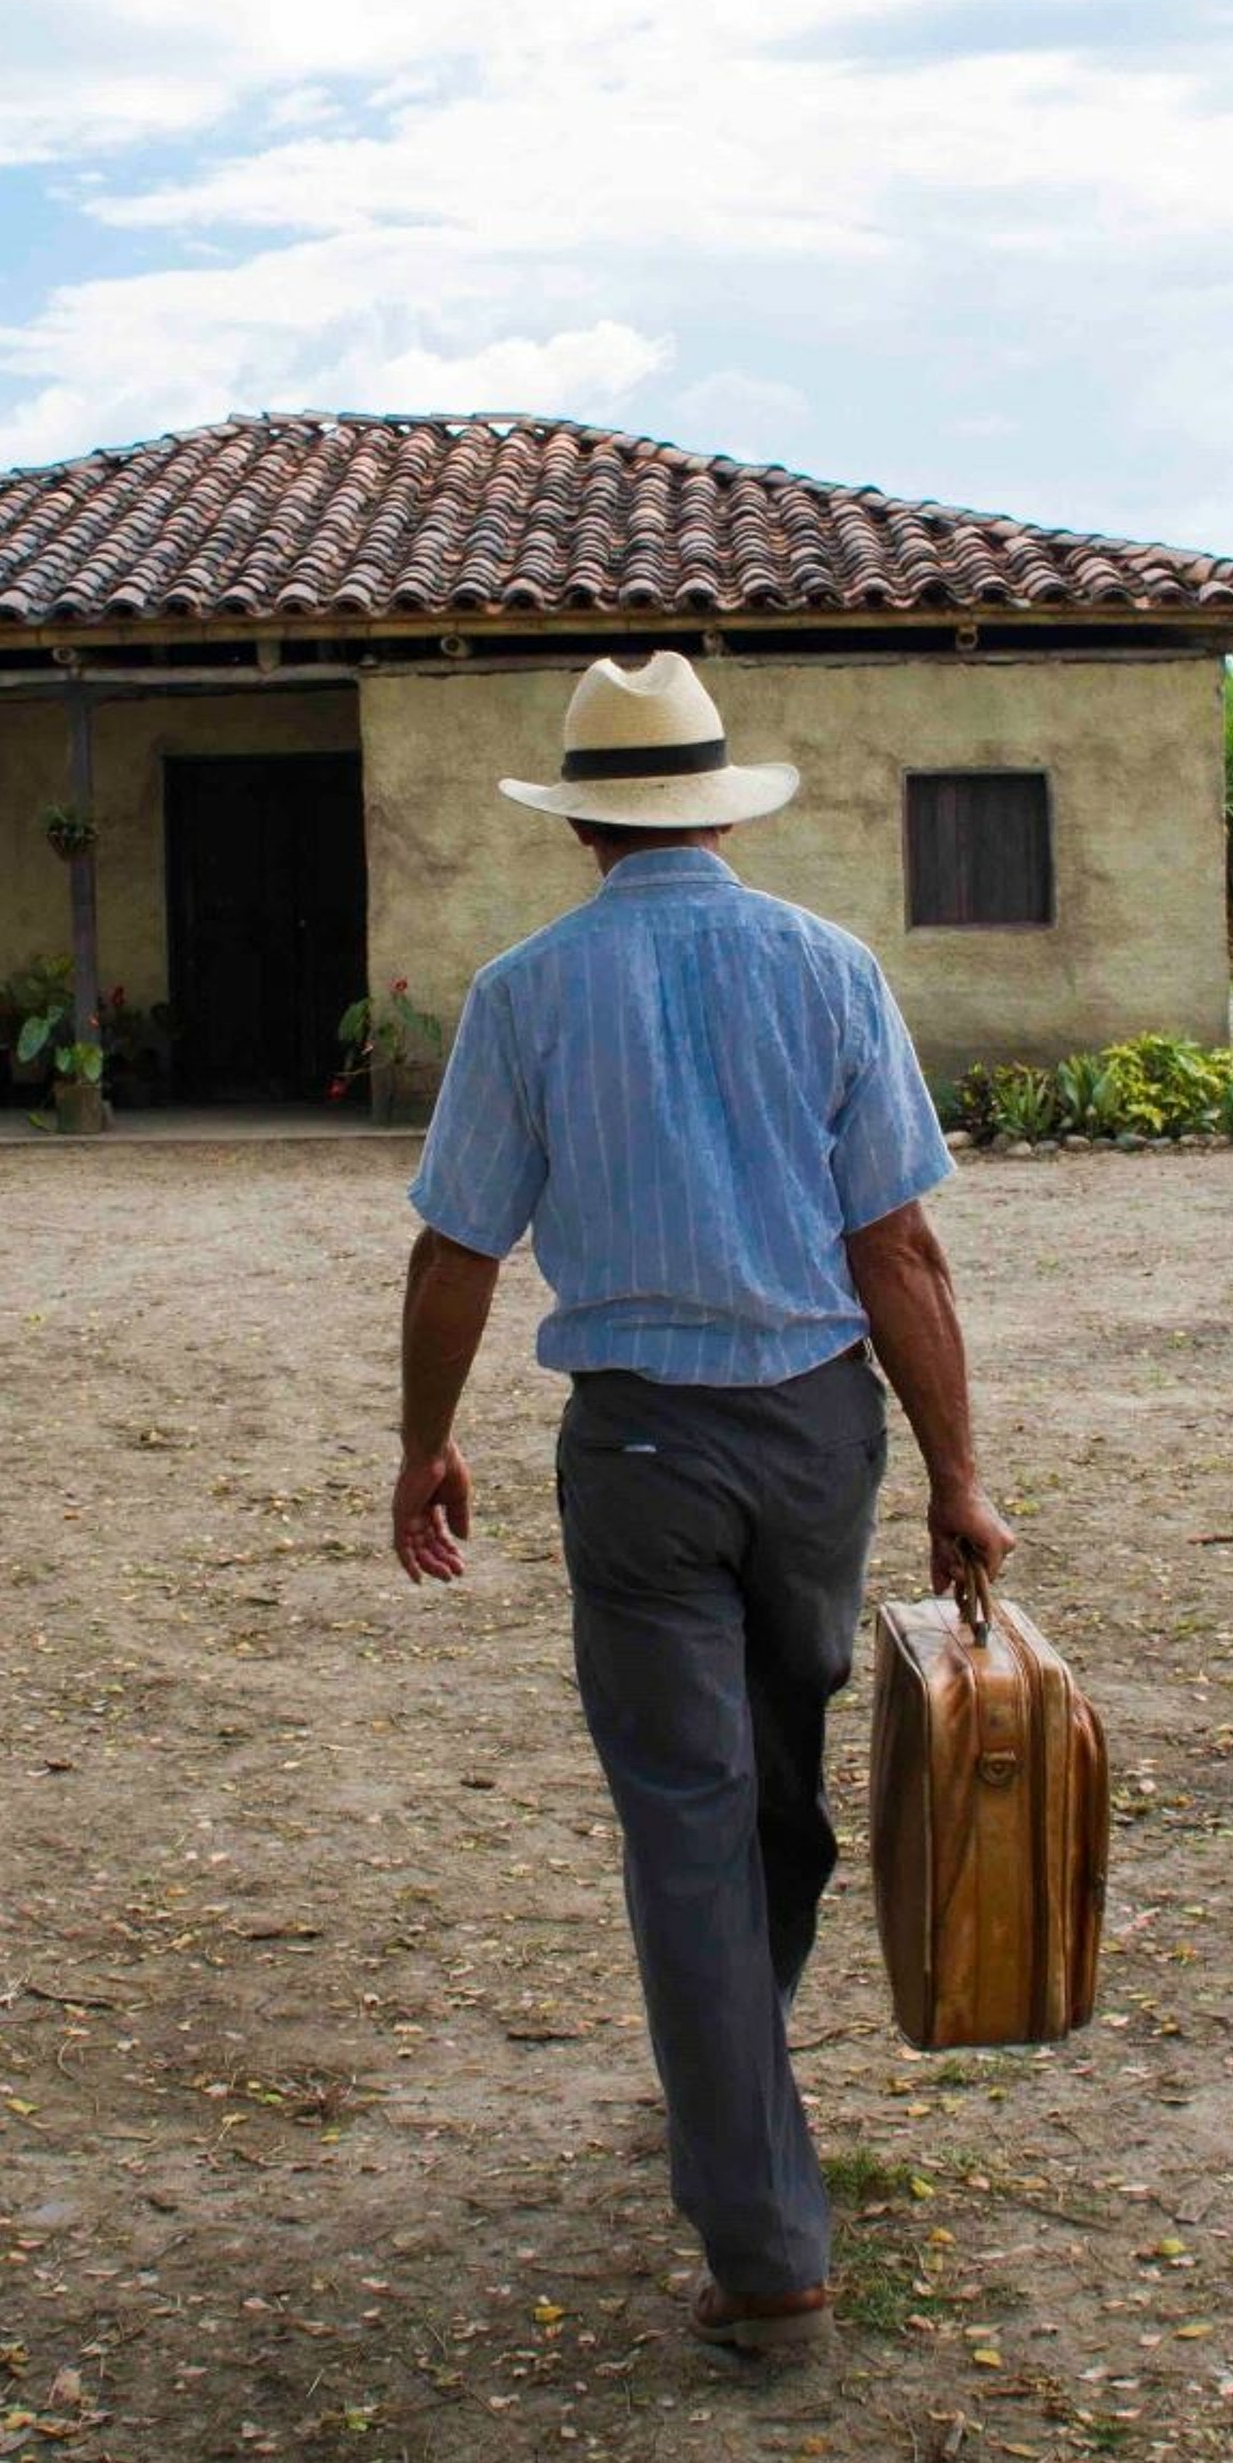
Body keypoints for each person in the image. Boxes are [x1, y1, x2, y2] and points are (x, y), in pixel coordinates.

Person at [390, 649, 1015, 2367]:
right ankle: (750, 2149)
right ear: (721, 812)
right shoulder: (827, 968)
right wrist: (958, 1474)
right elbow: (899, 1248)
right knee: (774, 1790)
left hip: (641, 1457)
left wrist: (425, 1443)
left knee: (695, 1818)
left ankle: (749, 2184)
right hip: (817, 1440)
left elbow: (456, 1248)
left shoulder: (526, 992)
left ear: (581, 823)